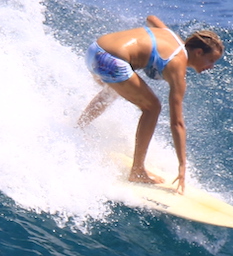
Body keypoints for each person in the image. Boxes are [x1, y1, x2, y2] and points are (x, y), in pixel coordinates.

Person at [77, 17, 223, 191]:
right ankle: (137, 170)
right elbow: (177, 123)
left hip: (95, 50)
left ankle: (79, 127)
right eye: (211, 61)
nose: (211, 67)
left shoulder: (170, 35)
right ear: (198, 52)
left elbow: (151, 19)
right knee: (152, 108)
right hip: (109, 62)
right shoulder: (177, 66)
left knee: (116, 87)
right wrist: (182, 165)